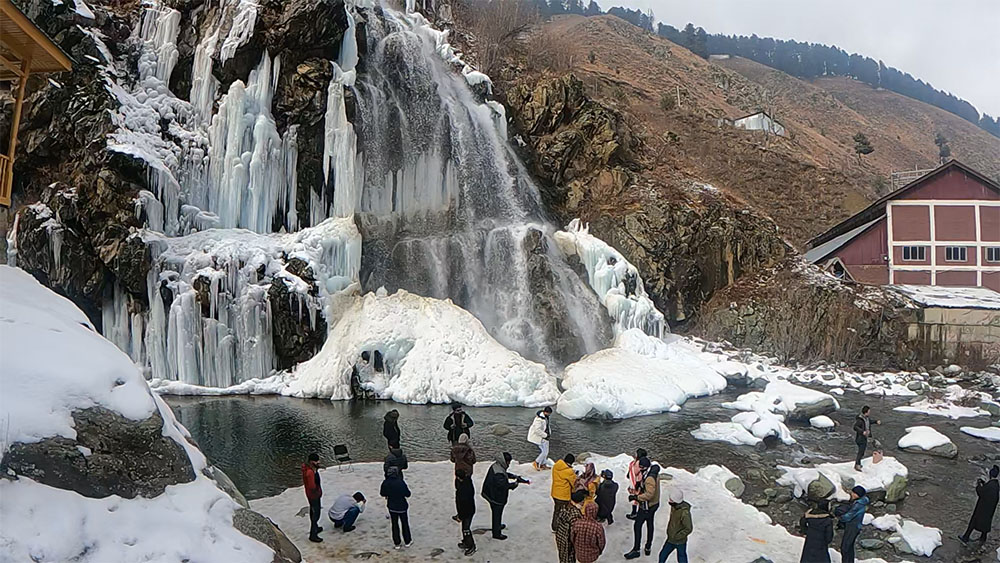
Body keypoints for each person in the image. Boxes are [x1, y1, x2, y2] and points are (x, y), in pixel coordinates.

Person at [482, 451, 529, 540]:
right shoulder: (498, 472)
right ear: (505, 461)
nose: (509, 464)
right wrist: (514, 484)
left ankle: (497, 526)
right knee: (497, 513)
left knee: (497, 513)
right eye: (509, 462)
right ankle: (496, 533)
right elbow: (504, 485)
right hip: (495, 497)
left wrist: (513, 476)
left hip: (490, 493)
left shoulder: (496, 466)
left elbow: (504, 474)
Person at [625, 457, 660, 559]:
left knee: (637, 525)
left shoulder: (649, 478)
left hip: (647, 506)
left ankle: (636, 549)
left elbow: (649, 494)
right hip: (654, 504)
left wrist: (636, 497)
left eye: (639, 467)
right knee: (650, 524)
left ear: (644, 467)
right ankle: (648, 547)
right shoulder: (652, 473)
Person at [959, 464, 999, 544]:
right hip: (990, 509)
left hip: (982, 508)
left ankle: (965, 537)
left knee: (973, 522)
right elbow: (987, 491)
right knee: (986, 523)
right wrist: (984, 484)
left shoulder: (990, 486)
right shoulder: (996, 485)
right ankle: (983, 538)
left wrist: (978, 485)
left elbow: (981, 492)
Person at [380, 466, 413, 549]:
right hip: (402, 506)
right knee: (404, 523)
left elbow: (382, 493)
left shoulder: (385, 482)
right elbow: (408, 494)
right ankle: (407, 541)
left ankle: (397, 543)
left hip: (391, 506)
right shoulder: (401, 482)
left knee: (394, 525)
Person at [835, 486, 869, 563]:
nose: (852, 494)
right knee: (849, 547)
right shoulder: (860, 502)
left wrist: (840, 517)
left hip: (852, 527)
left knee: (845, 548)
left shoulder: (858, 504)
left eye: (854, 493)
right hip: (855, 527)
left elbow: (849, 516)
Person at [658, 489, 692, 563]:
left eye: (671, 499)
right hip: (671, 538)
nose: (669, 500)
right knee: (662, 555)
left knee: (681, 557)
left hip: (679, 541)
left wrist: (677, 536)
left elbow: (688, 528)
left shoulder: (684, 512)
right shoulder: (674, 507)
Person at [556, 489, 587, 563]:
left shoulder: (565, 506)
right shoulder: (575, 514)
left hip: (560, 535)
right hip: (567, 539)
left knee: (562, 555)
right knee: (569, 557)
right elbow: (575, 531)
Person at [551, 453, 577, 531]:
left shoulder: (556, 466)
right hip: (563, 496)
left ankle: (554, 527)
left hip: (555, 493)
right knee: (564, 513)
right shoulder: (569, 471)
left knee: (557, 510)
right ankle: (562, 528)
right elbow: (574, 483)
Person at [302, 453, 323, 543]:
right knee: (316, 513)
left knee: (313, 511)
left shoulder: (310, 469)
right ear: (311, 462)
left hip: (311, 494)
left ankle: (315, 528)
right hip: (313, 495)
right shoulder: (310, 472)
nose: (318, 462)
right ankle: (313, 535)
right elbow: (312, 486)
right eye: (316, 461)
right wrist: (317, 491)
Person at [455, 468, 477, 556]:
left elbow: (463, 505)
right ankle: (466, 542)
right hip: (469, 509)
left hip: (467, 512)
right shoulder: (467, 482)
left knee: (466, 529)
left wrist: (460, 516)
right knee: (464, 528)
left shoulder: (463, 490)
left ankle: (471, 546)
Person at [852, 406, 880, 471]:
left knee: (862, 452)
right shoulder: (860, 420)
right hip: (860, 438)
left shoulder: (866, 418)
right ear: (866, 412)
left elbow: (870, 421)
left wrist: (876, 422)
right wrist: (862, 432)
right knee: (861, 452)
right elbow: (855, 427)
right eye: (869, 411)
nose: (870, 412)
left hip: (864, 438)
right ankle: (857, 465)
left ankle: (858, 464)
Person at [527, 406, 553, 471]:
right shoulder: (539, 419)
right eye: (549, 413)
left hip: (546, 437)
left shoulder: (545, 417)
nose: (549, 415)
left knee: (546, 451)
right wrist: (545, 435)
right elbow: (537, 430)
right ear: (545, 412)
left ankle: (543, 464)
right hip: (541, 437)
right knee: (544, 452)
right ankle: (537, 462)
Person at [626, 448, 648, 520]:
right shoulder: (641, 461)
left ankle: (634, 513)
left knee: (636, 497)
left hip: (636, 482)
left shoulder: (638, 462)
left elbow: (635, 471)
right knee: (636, 496)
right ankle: (636, 512)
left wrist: (630, 475)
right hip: (636, 481)